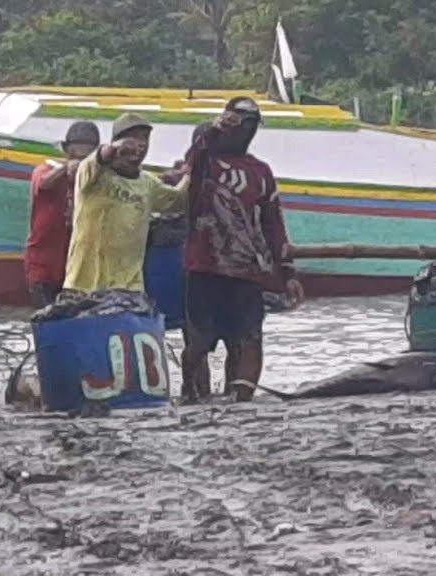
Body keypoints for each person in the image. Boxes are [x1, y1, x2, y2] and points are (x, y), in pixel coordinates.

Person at [181, 97, 304, 403]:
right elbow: (192, 162)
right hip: (204, 266)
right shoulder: (205, 163)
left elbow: (274, 225)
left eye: (250, 126)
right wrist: (212, 130)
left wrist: (287, 272)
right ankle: (190, 395)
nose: (244, 131)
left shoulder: (261, 172)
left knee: (248, 339)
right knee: (198, 342)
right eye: (238, 124)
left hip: (248, 270)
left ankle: (241, 399)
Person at [62, 113, 188, 294]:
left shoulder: (148, 183)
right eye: (133, 137)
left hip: (129, 287)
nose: (140, 143)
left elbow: (178, 201)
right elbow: (99, 157)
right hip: (84, 284)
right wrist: (116, 148)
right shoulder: (92, 173)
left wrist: (191, 171)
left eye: (144, 138)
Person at [24, 121, 101, 308]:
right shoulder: (45, 169)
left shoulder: (95, 177)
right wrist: (66, 169)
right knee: (45, 317)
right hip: (43, 266)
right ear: (67, 150)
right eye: (77, 151)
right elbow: (43, 184)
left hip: (76, 269)